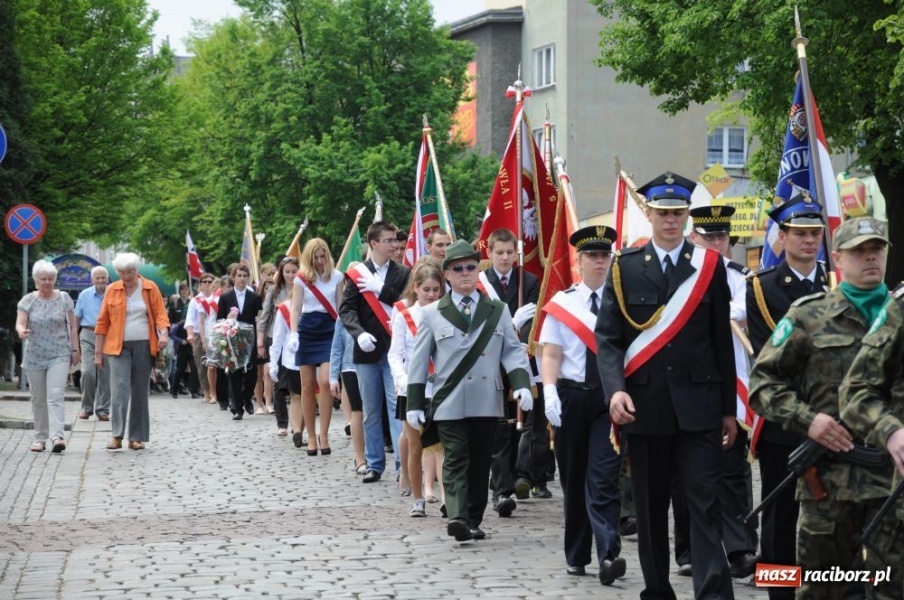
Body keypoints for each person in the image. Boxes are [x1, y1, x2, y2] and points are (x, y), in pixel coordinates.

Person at [596, 172, 737, 598]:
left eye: (677, 213)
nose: (671, 220)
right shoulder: (624, 268)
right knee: (651, 509)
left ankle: (713, 593)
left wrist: (728, 409)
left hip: (700, 407)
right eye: (663, 213)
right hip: (646, 406)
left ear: (687, 214)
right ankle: (657, 590)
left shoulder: (708, 266)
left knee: (704, 504)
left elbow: (721, 341)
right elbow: (609, 340)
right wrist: (615, 390)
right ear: (649, 214)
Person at [751, 217, 902, 599]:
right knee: (823, 588)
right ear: (837, 258)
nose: (870, 257)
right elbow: (762, 384)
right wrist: (809, 420)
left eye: (877, 249)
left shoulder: (899, 313)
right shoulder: (809, 315)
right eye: (859, 251)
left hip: (893, 483)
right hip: (830, 484)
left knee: (888, 589)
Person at [406, 239, 532, 541]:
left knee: (479, 461)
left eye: (471, 267)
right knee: (455, 458)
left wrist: (521, 384)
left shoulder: (497, 310)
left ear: (478, 270)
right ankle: (458, 516)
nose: (465, 273)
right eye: (458, 268)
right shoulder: (432, 313)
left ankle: (473, 518)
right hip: (449, 399)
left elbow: (512, 351)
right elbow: (419, 361)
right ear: (447, 275)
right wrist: (413, 402)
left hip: (486, 399)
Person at [745, 194, 828, 599]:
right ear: (783, 236)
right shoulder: (762, 288)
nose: (809, 241)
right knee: (780, 514)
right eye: (800, 234)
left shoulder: (837, 283)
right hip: (784, 418)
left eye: (815, 234)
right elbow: (770, 358)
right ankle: (779, 592)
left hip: (834, 419)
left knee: (832, 513)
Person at [538, 225, 626, 584]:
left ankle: (609, 555)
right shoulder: (564, 303)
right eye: (592, 255)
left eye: (605, 255)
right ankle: (576, 555)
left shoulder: (622, 302)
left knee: (604, 478)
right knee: (574, 479)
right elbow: (551, 353)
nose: (599, 262)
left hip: (609, 397)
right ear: (579, 260)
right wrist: (549, 391)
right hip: (572, 397)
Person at [676, 205, 758, 578]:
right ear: (693, 237)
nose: (715, 243)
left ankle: (740, 548)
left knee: (732, 469)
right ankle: (690, 551)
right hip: (688, 384)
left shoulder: (741, 278)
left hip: (730, 383)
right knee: (687, 471)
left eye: (721, 236)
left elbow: (743, 309)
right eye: (708, 236)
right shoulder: (680, 273)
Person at [338, 221, 411, 483]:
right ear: (374, 243)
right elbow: (346, 309)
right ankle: (374, 463)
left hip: (395, 350)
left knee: (395, 407)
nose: (394, 245)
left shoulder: (403, 272)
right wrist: (358, 333)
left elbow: (406, 302)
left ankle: (403, 466)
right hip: (366, 351)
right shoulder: (358, 273)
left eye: (395, 240)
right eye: (388, 240)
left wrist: (381, 290)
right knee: (370, 410)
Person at [478, 228, 540, 517]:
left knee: (519, 427)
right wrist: (510, 324)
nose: (504, 258)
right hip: (490, 362)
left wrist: (519, 334)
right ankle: (501, 491)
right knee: (499, 427)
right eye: (499, 252)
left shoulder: (529, 281)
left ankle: (510, 477)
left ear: (516, 254)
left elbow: (534, 320)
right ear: (489, 253)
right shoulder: (481, 283)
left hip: (519, 361)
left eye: (509, 253)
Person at [94, 253, 170, 451]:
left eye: (130, 272)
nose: (126, 276)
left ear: (137, 270)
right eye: (122, 273)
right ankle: (117, 435)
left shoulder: (150, 287)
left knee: (139, 390)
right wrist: (98, 354)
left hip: (144, 344)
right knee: (119, 389)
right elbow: (102, 322)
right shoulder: (112, 289)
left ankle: (136, 437)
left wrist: (163, 334)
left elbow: (161, 315)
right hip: (117, 347)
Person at [389, 259, 446, 517]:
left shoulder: (446, 314)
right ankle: (418, 498)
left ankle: (445, 496)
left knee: (442, 445)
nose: (431, 294)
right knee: (415, 445)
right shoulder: (405, 316)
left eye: (436, 289)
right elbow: (395, 355)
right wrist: (404, 382)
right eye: (426, 290)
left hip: (440, 389)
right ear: (416, 288)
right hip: (412, 390)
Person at [16, 260, 80, 453]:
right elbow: (20, 323)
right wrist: (21, 331)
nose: (47, 282)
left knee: (55, 395)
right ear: (36, 281)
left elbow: (73, 326)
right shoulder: (28, 300)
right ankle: (40, 437)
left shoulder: (64, 298)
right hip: (35, 355)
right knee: (38, 399)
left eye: (50, 279)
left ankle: (58, 437)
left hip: (59, 353)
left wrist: (75, 349)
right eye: (43, 279)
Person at [288, 239, 344, 456]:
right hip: (308, 330)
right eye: (316, 257)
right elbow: (295, 308)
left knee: (326, 381)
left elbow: (340, 307)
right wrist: (294, 333)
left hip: (330, 329)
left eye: (323, 256)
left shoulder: (336, 276)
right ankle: (311, 435)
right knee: (307, 386)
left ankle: (324, 434)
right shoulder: (301, 278)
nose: (320, 261)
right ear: (309, 258)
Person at [259, 257, 299, 436]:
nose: (290, 275)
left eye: (294, 272)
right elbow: (265, 316)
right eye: (287, 272)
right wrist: (260, 342)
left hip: (296, 339)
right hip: (275, 338)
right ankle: (282, 422)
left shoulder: (304, 288)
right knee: (278, 381)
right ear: (281, 273)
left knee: (298, 381)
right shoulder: (274, 290)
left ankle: (299, 422)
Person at [217, 264, 262, 420]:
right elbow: (219, 319)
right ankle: (237, 408)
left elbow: (259, 320)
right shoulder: (225, 297)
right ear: (234, 277)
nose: (242, 279)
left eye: (245, 276)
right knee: (234, 374)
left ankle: (247, 397)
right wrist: (227, 321)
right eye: (239, 276)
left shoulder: (255, 297)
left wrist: (259, 340)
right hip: (232, 340)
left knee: (252, 374)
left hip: (250, 341)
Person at [329, 312, 366, 473]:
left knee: (373, 414)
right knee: (357, 412)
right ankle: (360, 457)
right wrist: (333, 378)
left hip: (374, 366)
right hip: (350, 367)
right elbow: (337, 348)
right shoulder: (344, 315)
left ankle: (374, 455)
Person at [75, 266, 112, 421]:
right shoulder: (84, 295)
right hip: (88, 334)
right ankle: (87, 407)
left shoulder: (114, 293)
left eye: (103, 277)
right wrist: (73, 342)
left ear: (107, 279)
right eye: (97, 277)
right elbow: (76, 318)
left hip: (108, 335)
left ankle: (103, 409)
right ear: (92, 280)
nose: (101, 280)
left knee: (106, 373)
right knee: (87, 372)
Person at [268, 295, 303, 442]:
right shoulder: (284, 308)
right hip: (291, 359)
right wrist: (273, 363)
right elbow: (277, 338)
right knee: (296, 395)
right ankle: (297, 430)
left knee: (307, 397)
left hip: (312, 356)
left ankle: (304, 429)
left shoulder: (315, 304)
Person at [186, 273, 216, 403]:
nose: (207, 284)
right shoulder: (195, 301)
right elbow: (189, 320)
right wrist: (190, 334)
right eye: (205, 282)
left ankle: (216, 392)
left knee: (215, 364)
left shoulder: (217, 298)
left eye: (210, 282)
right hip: (199, 335)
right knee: (201, 363)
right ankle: (206, 391)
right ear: (200, 285)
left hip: (215, 334)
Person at [168, 319, 200, 399]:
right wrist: (180, 340)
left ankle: (195, 391)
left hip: (192, 348)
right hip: (182, 349)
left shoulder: (195, 324)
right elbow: (171, 334)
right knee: (179, 370)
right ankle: (174, 390)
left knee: (194, 369)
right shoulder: (179, 325)